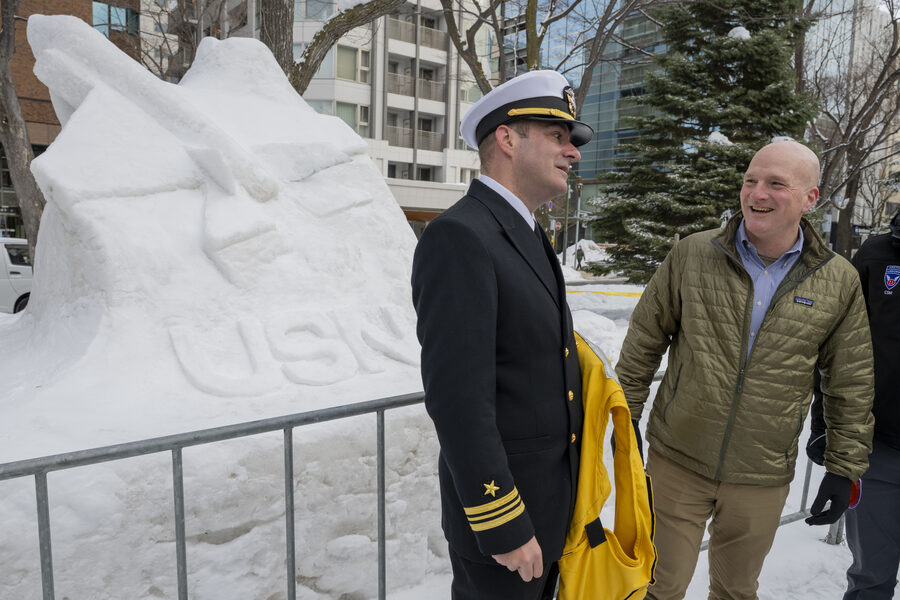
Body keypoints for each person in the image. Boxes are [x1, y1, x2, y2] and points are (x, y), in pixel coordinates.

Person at [615, 139, 875, 600]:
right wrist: (624, 418)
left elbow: (850, 381)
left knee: (736, 591)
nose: (757, 193)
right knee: (654, 586)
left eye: (776, 183)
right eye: (751, 180)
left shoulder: (839, 280)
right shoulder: (693, 254)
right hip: (677, 459)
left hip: (762, 472)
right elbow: (643, 343)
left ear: (810, 198)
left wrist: (844, 467)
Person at [411, 70, 593, 600]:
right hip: (507, 524)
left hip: (548, 510)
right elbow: (459, 401)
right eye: (557, 136)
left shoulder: (526, 232)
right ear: (508, 138)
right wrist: (503, 524)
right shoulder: (461, 236)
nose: (572, 152)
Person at [807, 209, 900, 599]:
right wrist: (823, 427)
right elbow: (836, 346)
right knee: (871, 578)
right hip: (879, 447)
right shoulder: (877, 256)